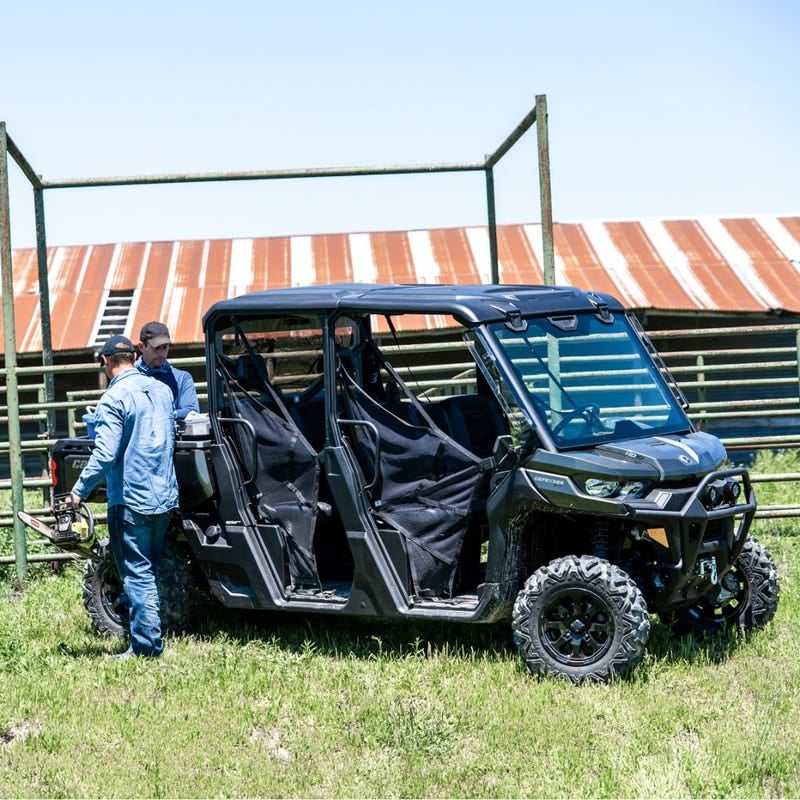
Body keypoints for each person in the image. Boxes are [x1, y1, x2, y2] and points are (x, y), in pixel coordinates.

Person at [70, 334, 179, 659]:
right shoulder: (161, 391)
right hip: (164, 495)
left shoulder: (114, 399)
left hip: (132, 499)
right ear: (134, 355)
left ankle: (146, 648)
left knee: (137, 572)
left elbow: (104, 454)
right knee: (151, 567)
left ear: (105, 362)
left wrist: (78, 492)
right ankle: (149, 634)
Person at [135, 321, 200, 420]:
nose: (162, 353)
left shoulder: (181, 378)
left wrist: (161, 416)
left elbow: (191, 411)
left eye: (165, 347)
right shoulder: (130, 378)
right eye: (156, 348)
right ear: (141, 347)